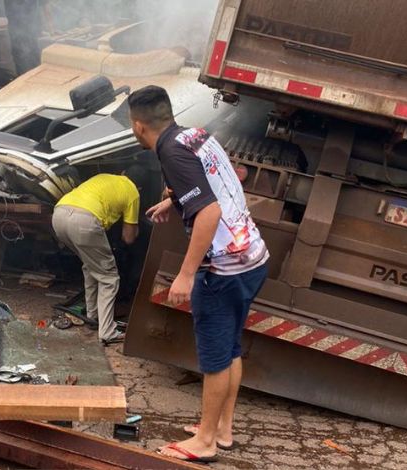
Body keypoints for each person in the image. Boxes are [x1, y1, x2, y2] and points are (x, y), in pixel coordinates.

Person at [128, 86, 269, 463]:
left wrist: (186, 275)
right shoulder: (194, 135)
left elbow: (208, 212)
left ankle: (205, 442)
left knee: (215, 357)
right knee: (230, 347)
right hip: (252, 257)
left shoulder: (170, 151)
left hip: (223, 269)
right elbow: (217, 182)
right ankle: (222, 429)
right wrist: (173, 201)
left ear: (138, 125)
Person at [52, 169, 145, 344]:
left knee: (90, 265)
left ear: (123, 172)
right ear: (139, 187)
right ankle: (108, 331)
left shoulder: (103, 177)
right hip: (84, 221)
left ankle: (92, 315)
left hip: (59, 215)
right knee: (109, 277)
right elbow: (128, 237)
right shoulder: (133, 192)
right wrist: (136, 226)